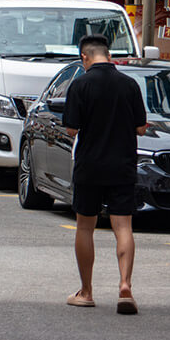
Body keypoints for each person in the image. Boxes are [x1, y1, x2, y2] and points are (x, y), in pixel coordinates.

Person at [62, 34, 147, 314]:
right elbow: (141, 128)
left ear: (84, 57)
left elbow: (71, 130)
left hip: (90, 165)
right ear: (108, 55)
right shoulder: (129, 84)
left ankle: (86, 291)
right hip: (122, 164)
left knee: (85, 226)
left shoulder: (80, 84)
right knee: (123, 226)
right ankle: (125, 286)